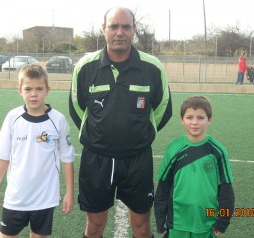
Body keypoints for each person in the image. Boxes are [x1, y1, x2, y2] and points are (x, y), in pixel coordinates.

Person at [69, 7, 172, 238]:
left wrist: (137, 132)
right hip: (96, 159)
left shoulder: (152, 67)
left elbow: (163, 108)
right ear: (103, 29)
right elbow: (77, 109)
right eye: (114, 26)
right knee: (94, 226)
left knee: (142, 227)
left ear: (134, 30)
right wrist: (100, 134)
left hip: (137, 159)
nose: (119, 32)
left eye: (126, 26)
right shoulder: (85, 67)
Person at [0, 64, 75, 238]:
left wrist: (69, 192)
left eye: (39, 89)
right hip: (16, 196)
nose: (34, 94)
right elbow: (4, 156)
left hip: (45, 198)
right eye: (28, 89)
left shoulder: (58, 120)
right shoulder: (13, 118)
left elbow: (67, 158)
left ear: (47, 90)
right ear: (20, 90)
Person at [154, 96, 235, 238]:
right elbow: (163, 188)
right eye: (189, 117)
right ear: (182, 119)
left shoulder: (217, 150)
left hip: (207, 225)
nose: (194, 122)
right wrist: (161, 221)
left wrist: (222, 222)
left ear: (209, 119)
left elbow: (226, 190)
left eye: (200, 117)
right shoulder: (174, 149)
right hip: (177, 223)